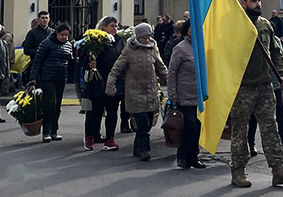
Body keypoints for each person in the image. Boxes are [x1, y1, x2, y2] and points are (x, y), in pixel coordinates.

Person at [228, 0, 283, 188]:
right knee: (240, 131)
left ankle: (278, 170)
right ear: (243, 3)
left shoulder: (266, 24)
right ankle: (238, 171)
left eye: (259, 0)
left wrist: (282, 76)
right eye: (253, 1)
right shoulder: (234, 25)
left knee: (270, 129)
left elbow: (276, 52)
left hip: (265, 85)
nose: (258, 4)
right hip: (243, 87)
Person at [107, 22, 167, 161]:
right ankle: (145, 150)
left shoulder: (153, 48)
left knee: (149, 122)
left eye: (148, 37)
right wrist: (111, 85)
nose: (147, 40)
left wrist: (169, 80)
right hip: (135, 92)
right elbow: (116, 69)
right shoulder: (129, 50)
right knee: (143, 123)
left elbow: (160, 67)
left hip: (151, 90)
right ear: (138, 37)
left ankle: (137, 147)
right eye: (144, 38)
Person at [167, 20, 204, 169]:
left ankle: (193, 157)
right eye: (192, 28)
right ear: (186, 30)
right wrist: (172, 94)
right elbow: (172, 72)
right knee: (190, 125)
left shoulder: (201, 46)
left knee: (198, 126)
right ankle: (182, 156)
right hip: (184, 95)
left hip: (199, 96)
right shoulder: (180, 49)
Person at [29, 22, 74, 143]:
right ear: (57, 33)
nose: (64, 37)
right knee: (50, 103)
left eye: (66, 35)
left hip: (61, 77)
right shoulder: (46, 43)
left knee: (58, 105)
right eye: (62, 35)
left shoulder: (68, 45)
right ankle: (46, 131)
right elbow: (38, 61)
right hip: (47, 77)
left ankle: (54, 130)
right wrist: (33, 77)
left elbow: (70, 61)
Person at [83, 16, 123, 149]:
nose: (115, 29)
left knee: (112, 111)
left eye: (116, 26)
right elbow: (83, 59)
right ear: (104, 27)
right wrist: (89, 63)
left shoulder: (119, 41)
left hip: (114, 81)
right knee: (95, 111)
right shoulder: (95, 40)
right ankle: (90, 137)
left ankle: (110, 139)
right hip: (98, 81)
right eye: (112, 26)